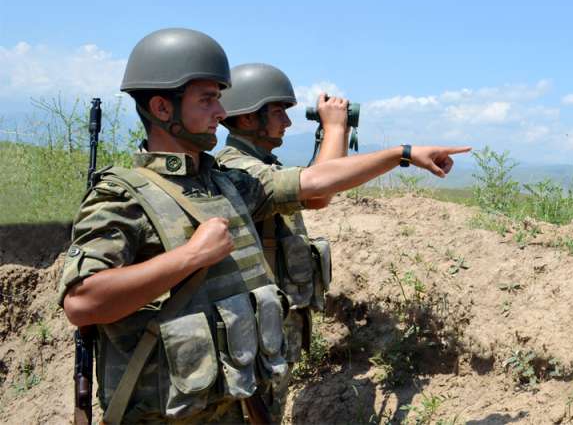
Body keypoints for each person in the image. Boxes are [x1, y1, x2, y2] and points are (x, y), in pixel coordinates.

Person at [58, 27, 469, 424]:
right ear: (163, 108)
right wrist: (192, 255)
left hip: (235, 405)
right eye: (207, 100)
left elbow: (315, 183)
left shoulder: (227, 183)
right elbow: (82, 302)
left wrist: (401, 154)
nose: (221, 113)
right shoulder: (123, 197)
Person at [215, 63, 350, 422]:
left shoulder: (260, 164)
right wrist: (335, 128)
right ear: (247, 118)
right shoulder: (238, 169)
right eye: (278, 112)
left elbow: (320, 185)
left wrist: (334, 134)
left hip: (270, 328)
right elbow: (320, 191)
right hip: (253, 335)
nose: (287, 123)